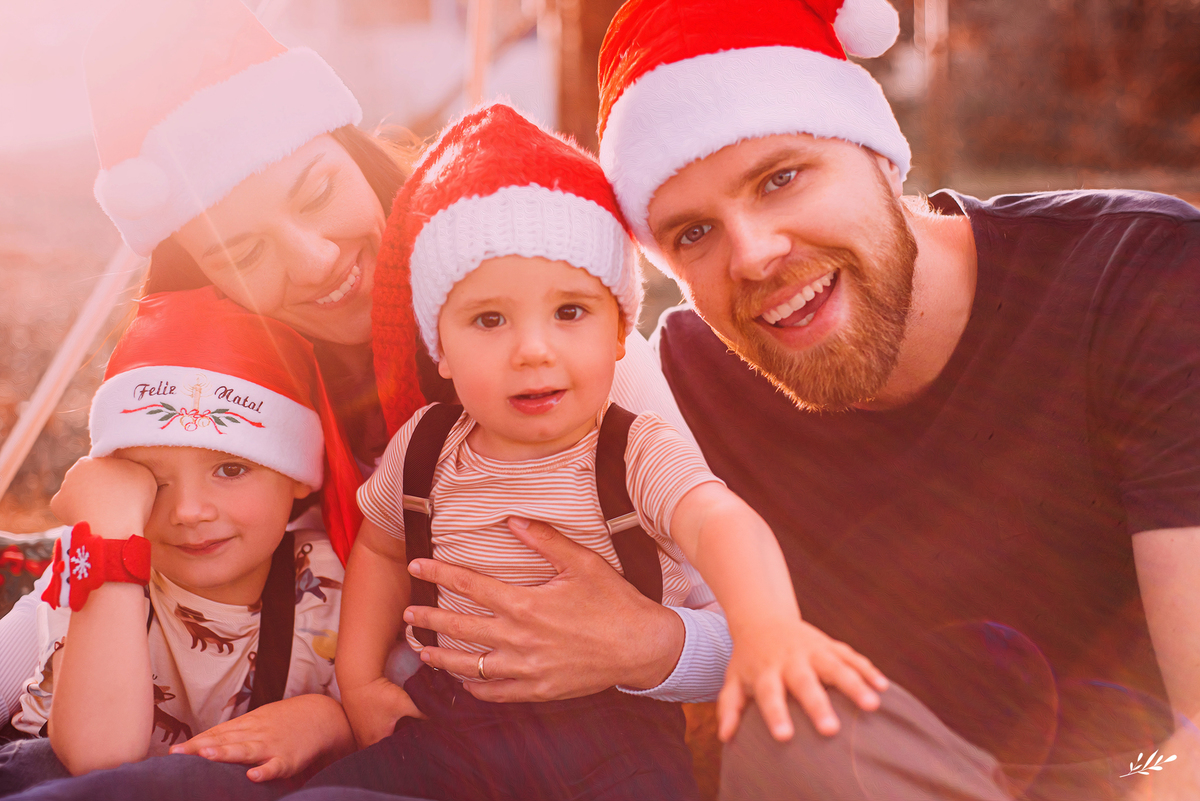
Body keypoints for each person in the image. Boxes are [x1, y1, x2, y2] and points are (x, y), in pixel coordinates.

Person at [0, 0, 735, 737]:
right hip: (387, 737)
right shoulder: (240, 384)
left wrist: (647, 643)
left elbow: (743, 632)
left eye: (317, 192)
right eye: (246, 252)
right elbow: (83, 588)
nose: (315, 259)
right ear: (211, 283)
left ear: (353, 149)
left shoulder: (543, 349)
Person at [593, 0, 1200, 799]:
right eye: (693, 235)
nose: (752, 255)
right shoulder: (690, 383)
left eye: (781, 178)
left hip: (1138, 768)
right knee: (801, 735)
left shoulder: (1137, 276)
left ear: (880, 156)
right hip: (910, 771)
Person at [304, 104, 886, 801]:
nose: (532, 348)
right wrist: (361, 681)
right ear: (443, 351)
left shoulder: (631, 447)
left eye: (570, 312)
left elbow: (719, 522)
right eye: (489, 319)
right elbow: (378, 549)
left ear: (618, 334)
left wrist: (768, 627)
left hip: (608, 740)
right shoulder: (426, 444)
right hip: (446, 723)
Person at [0, 288, 361, 798]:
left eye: (231, 469)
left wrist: (329, 721)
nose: (190, 511)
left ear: (298, 474)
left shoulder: (336, 581)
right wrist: (110, 539)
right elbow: (98, 757)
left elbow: (399, 729)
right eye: (154, 478)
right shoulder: (86, 565)